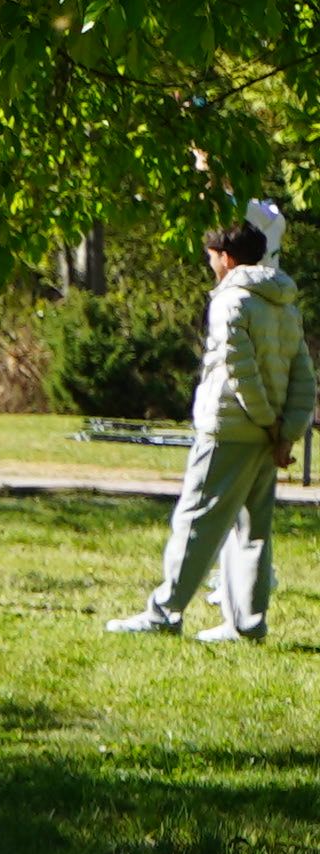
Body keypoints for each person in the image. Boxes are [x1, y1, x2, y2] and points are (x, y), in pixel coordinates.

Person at [112, 221, 311, 644]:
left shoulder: (230, 301)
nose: (210, 264)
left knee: (196, 520)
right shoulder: (285, 305)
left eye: (211, 257)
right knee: (251, 531)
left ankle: (164, 614)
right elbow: (303, 375)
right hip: (267, 436)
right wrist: (285, 432)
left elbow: (239, 371)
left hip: (230, 429)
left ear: (227, 257)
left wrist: (267, 422)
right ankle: (246, 625)